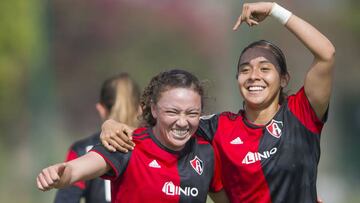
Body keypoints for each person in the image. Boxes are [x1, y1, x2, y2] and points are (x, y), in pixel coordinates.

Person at [99, 2, 335, 203]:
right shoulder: (218, 127)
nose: (254, 76)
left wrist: (274, 9)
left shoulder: (301, 113)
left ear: (284, 79)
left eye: (265, 69)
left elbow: (326, 54)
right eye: (245, 70)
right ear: (237, 79)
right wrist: (110, 124)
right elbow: (161, 131)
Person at [36, 69, 229, 203]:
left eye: (192, 113)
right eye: (172, 112)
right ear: (153, 109)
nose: (182, 122)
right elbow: (76, 170)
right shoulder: (126, 144)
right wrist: (60, 174)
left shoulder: (206, 153)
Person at [54, 73, 141, 203]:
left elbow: (66, 199)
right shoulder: (155, 146)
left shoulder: (82, 150)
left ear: (101, 109)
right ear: (140, 109)